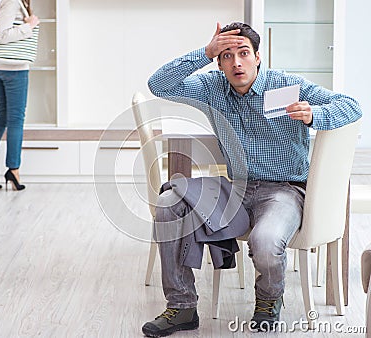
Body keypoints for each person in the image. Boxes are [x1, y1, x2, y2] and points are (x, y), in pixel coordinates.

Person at [142, 22, 362, 337]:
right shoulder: (211, 88)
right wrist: (205, 51)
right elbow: (159, 84)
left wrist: (315, 114)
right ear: (218, 62)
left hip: (284, 191)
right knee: (169, 202)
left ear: (257, 57)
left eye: (243, 53)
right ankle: (182, 306)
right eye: (226, 55)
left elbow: (351, 106)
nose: (236, 63)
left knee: (266, 241)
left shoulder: (285, 85)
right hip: (235, 189)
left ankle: (268, 301)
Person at [0, 0, 39, 191]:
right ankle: (13, 170)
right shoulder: (11, 1)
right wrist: (29, 26)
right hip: (13, 69)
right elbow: (3, 35)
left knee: (1, 118)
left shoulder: (0, 2)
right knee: (15, 120)